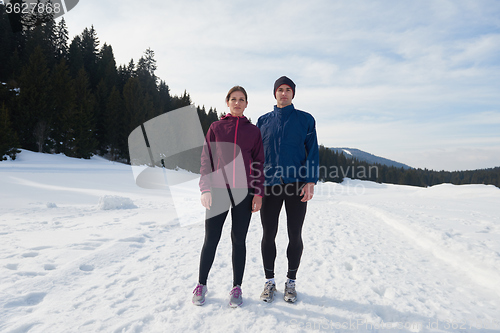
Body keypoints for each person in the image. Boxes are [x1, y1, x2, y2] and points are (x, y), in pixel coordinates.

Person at [192, 86, 265, 308]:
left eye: (242, 99)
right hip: (218, 191)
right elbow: (206, 160)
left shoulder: (253, 131)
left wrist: (259, 193)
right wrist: (205, 189)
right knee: (211, 239)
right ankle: (201, 284)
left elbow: (259, 164)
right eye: (234, 99)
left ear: (246, 104)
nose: (237, 103)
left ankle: (236, 288)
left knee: (238, 240)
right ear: (227, 102)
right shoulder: (216, 128)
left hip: (244, 193)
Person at [256, 76, 319, 303]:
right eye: (280, 90)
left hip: (297, 185)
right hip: (269, 185)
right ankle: (269, 281)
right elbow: (257, 156)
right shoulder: (263, 121)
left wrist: (310, 181)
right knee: (268, 234)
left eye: (288, 90)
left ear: (293, 94)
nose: (284, 93)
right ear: (274, 93)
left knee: (295, 234)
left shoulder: (305, 120)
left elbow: (312, 151)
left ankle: (291, 282)